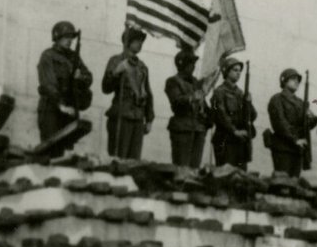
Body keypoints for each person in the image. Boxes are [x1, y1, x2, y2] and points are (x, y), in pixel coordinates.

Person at [36, 20, 93, 144]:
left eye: (71, 37)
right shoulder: (48, 56)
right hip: (52, 109)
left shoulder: (74, 57)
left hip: (69, 110)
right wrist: (61, 105)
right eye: (66, 37)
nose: (70, 40)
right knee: (50, 148)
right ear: (57, 37)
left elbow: (88, 77)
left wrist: (80, 78)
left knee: (66, 150)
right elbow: (48, 84)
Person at [101, 27, 153, 160]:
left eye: (141, 41)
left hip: (138, 117)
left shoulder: (142, 66)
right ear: (127, 42)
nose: (140, 44)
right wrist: (116, 72)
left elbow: (147, 92)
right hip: (121, 115)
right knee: (119, 158)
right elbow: (106, 88)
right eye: (136, 41)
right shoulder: (116, 61)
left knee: (134, 160)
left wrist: (149, 119)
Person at [163, 45, 209, 168]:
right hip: (182, 128)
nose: (193, 66)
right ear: (181, 64)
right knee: (182, 167)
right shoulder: (173, 81)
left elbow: (204, 106)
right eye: (190, 63)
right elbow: (176, 101)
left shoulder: (196, 83)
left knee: (195, 168)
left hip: (198, 129)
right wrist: (192, 98)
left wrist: (207, 119)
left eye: (193, 63)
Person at [267, 69, 316, 177]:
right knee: (282, 181)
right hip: (283, 147)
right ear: (284, 81)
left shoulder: (300, 102)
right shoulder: (277, 99)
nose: (297, 82)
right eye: (293, 79)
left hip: (297, 149)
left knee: (294, 183)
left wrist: (312, 118)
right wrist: (295, 139)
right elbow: (280, 123)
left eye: (298, 80)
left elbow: (307, 125)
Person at [209, 56, 256, 168]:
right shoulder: (219, 92)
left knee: (240, 178)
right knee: (225, 175)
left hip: (240, 141)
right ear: (226, 71)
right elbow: (221, 115)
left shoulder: (240, 93)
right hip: (225, 140)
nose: (238, 73)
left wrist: (248, 103)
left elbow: (252, 116)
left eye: (240, 71)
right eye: (235, 70)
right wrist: (234, 131)